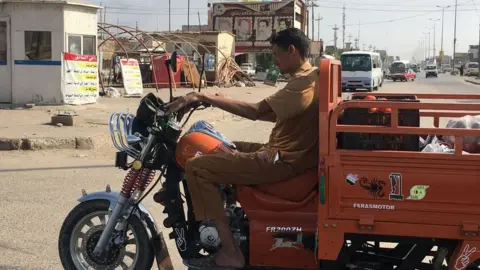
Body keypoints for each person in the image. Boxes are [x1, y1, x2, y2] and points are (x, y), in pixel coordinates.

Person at [166, 28, 319, 269]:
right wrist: (219, 96)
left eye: (277, 54)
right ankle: (228, 213)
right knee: (224, 145)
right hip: (288, 152)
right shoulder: (311, 76)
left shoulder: (302, 83)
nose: (274, 60)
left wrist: (205, 97)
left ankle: (229, 251)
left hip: (283, 161)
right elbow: (274, 115)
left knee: (197, 168)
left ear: (292, 50)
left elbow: (256, 111)